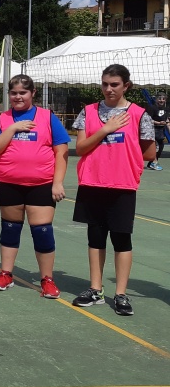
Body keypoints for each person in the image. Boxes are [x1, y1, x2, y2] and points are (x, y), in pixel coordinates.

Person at [70, 64, 156, 316]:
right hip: (93, 183)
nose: (109, 89)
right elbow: (82, 147)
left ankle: (120, 293)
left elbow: (149, 152)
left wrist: (121, 156)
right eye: (105, 84)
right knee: (95, 239)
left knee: (121, 240)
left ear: (126, 86)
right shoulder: (88, 112)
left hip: (122, 184)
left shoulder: (140, 115)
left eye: (115, 84)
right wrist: (106, 130)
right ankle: (95, 289)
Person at [0, 75, 69, 298]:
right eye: (14, 93)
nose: (18, 97)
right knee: (10, 228)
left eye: (23, 92)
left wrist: (57, 182)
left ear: (32, 94)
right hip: (9, 183)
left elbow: (61, 151)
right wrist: (12, 129)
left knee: (42, 232)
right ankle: (6, 274)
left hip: (41, 184)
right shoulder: (2, 120)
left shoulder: (47, 117)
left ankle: (47, 279)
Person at [145, 93, 167, 170]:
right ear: (156, 99)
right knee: (155, 147)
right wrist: (158, 123)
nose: (161, 100)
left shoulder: (165, 109)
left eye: (163, 99)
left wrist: (166, 122)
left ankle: (151, 163)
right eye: (160, 99)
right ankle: (154, 163)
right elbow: (148, 120)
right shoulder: (152, 108)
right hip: (153, 130)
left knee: (161, 147)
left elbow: (166, 119)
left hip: (161, 130)